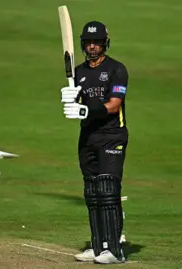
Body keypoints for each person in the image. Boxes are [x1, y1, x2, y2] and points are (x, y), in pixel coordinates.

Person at [61, 21, 129, 264]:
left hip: (112, 135)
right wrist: (70, 98)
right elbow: (78, 103)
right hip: (88, 137)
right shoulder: (78, 72)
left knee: (108, 188)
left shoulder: (117, 69)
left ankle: (115, 250)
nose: (92, 46)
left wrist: (84, 110)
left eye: (97, 42)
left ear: (104, 43)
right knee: (92, 191)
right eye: (89, 42)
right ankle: (98, 245)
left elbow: (114, 105)